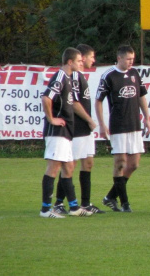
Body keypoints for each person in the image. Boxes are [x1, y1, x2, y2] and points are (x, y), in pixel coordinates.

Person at [40, 47, 95, 218]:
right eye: (79, 60)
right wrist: (51, 119)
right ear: (70, 62)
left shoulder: (69, 79)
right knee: (53, 168)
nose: (81, 63)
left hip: (66, 132)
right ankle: (45, 210)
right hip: (57, 130)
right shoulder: (60, 77)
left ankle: (74, 207)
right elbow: (46, 97)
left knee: (68, 167)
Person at [96, 45, 150, 213]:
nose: (131, 62)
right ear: (119, 58)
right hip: (118, 126)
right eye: (128, 59)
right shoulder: (109, 76)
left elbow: (141, 95)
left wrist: (147, 118)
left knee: (134, 164)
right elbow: (98, 101)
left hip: (135, 125)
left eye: (132, 59)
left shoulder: (135, 74)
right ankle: (125, 203)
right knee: (120, 163)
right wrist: (101, 124)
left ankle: (110, 197)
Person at [53, 44, 104, 214]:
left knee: (88, 163)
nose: (92, 60)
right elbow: (73, 103)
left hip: (85, 130)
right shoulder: (73, 77)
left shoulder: (80, 75)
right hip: (76, 127)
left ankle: (85, 203)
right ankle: (59, 203)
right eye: (90, 57)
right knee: (70, 165)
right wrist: (90, 120)